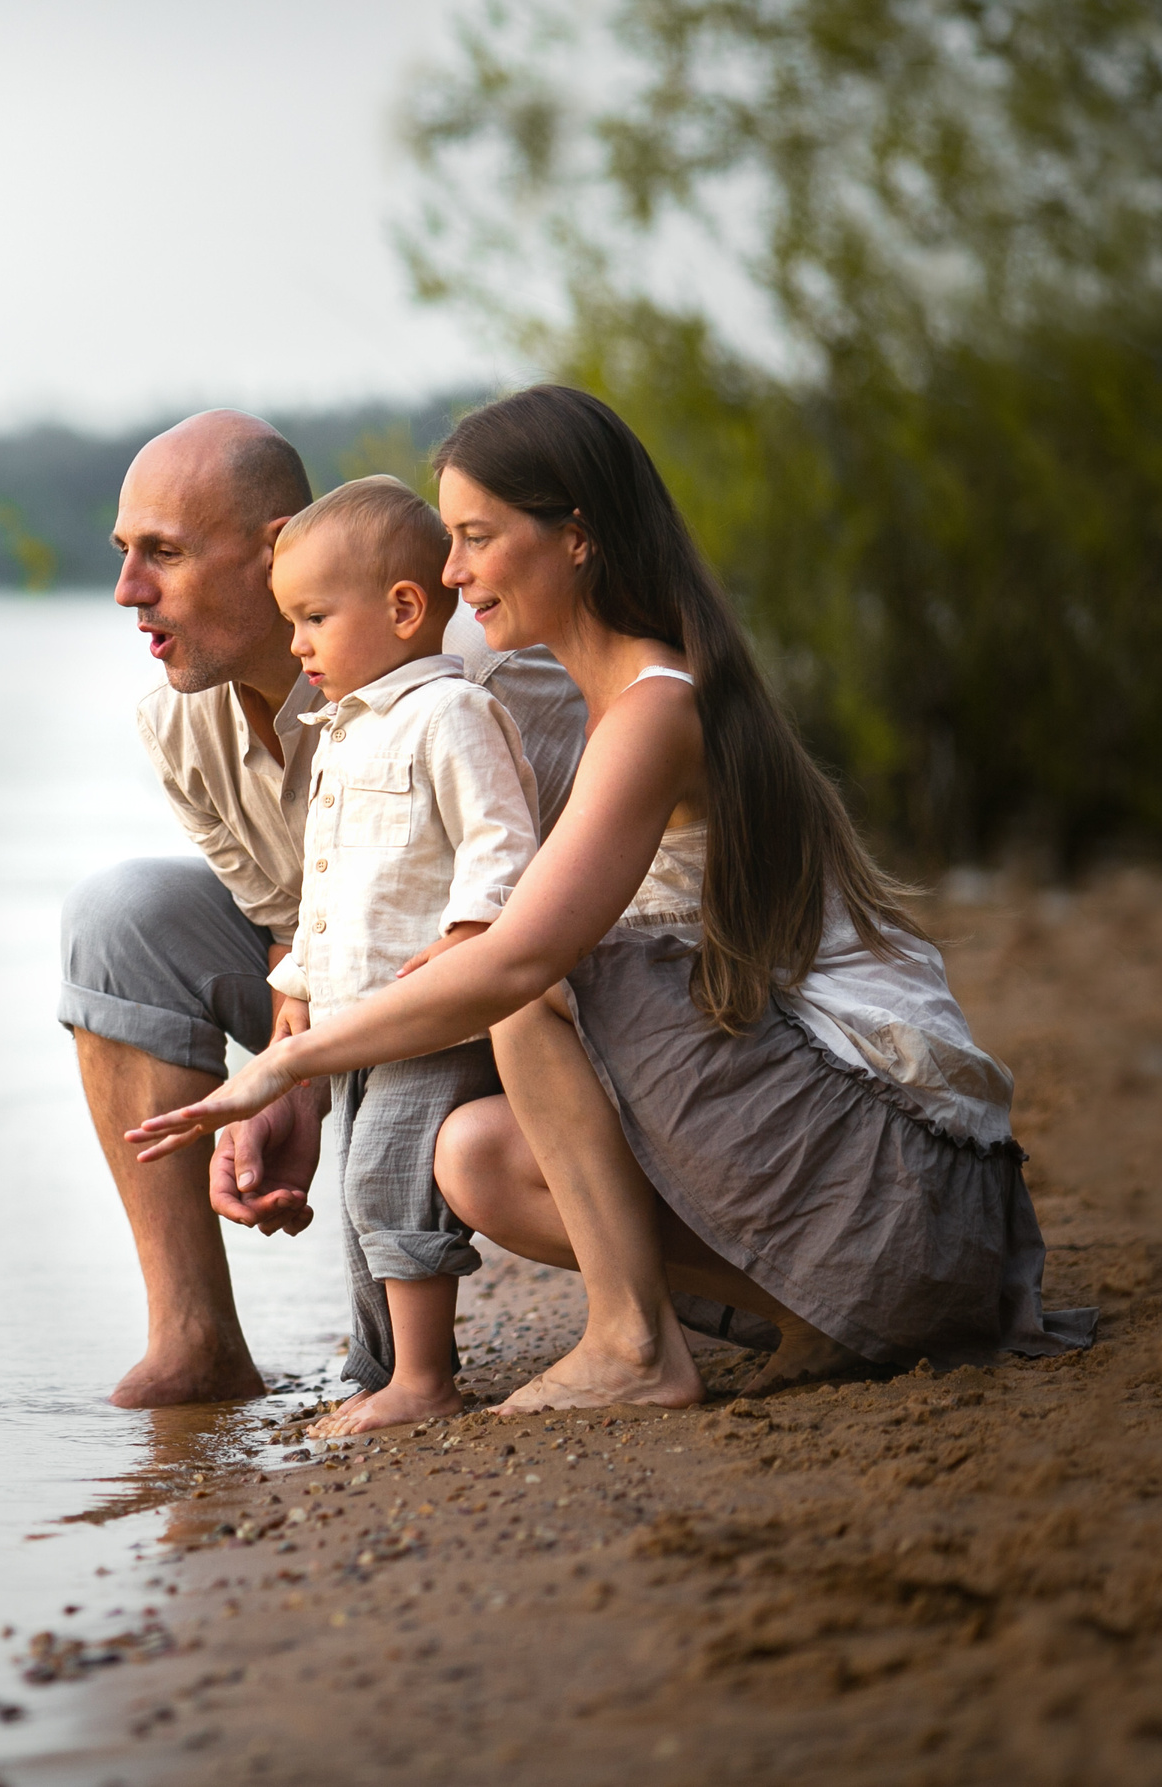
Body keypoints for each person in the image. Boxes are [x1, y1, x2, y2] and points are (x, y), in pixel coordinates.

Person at [128, 386, 1092, 1411]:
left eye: (475, 537)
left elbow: (516, 960)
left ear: (577, 538)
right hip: (870, 1221)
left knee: (520, 980)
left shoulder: (653, 707)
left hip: (903, 1195)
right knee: (473, 1157)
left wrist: (283, 1066)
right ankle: (809, 1311)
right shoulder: (583, 694)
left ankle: (634, 1343)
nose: (451, 571)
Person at [64, 409, 587, 1408]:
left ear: (275, 552)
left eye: (164, 553)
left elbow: (567, 911)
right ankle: (196, 1342)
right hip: (349, 978)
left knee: (391, 1153)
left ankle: (407, 1365)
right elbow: (288, 925)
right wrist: (285, 1080)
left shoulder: (474, 682)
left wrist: (324, 1057)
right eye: (124, 553)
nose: (128, 590)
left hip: (512, 996)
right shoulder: (178, 721)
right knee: (118, 915)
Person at [264, 475, 541, 1434]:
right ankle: (378, 1367)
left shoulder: (449, 713)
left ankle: (423, 1380)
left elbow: (500, 839)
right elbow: (330, 884)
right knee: (357, 1194)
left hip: (432, 1015)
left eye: (313, 619)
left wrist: (468, 936)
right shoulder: (344, 732)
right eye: (291, 622)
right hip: (357, 1021)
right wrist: (298, 984)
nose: (297, 646)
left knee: (390, 1177)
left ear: (405, 608)